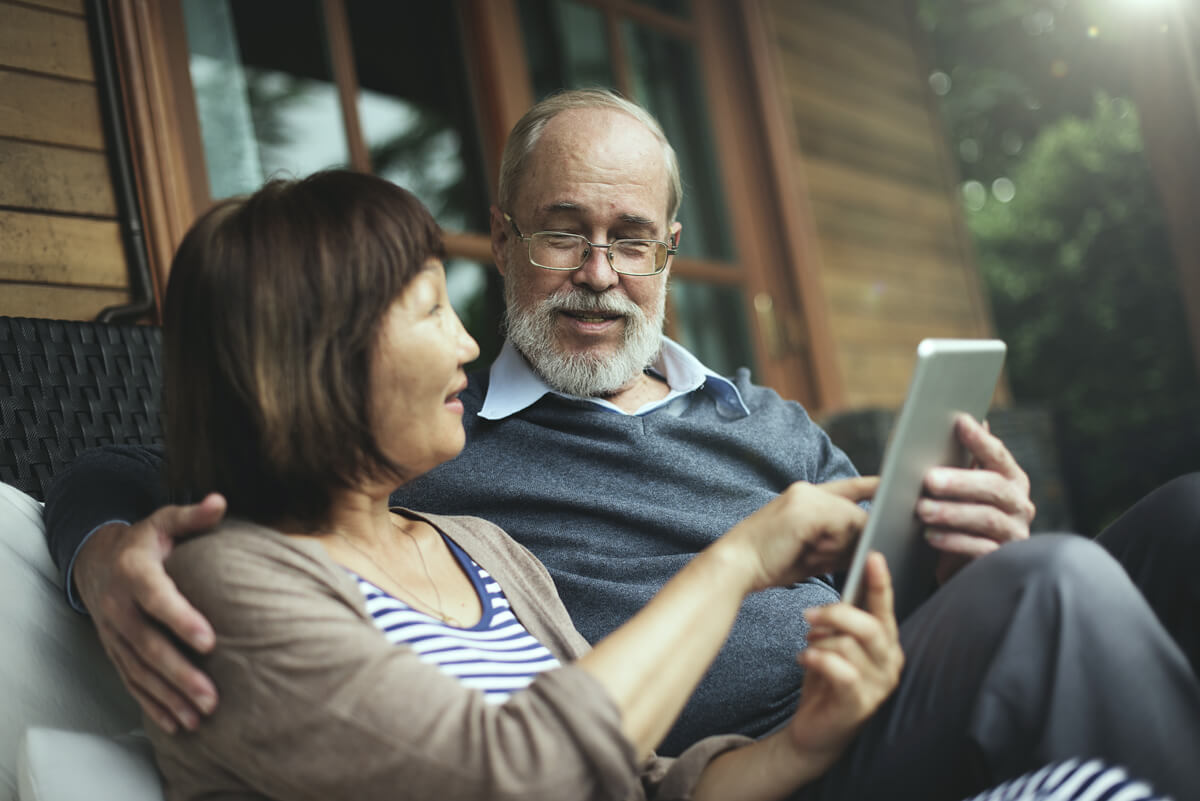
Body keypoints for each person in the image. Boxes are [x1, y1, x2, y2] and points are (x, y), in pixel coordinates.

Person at [44, 91, 1200, 798]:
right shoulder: (429, 438)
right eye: (564, 231)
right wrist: (104, 550)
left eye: (631, 239)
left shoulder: (758, 422)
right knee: (1058, 587)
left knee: (1165, 524)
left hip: (848, 717)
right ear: (501, 241)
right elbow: (136, 465)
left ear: (669, 252)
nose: (599, 273)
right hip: (750, 765)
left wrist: (963, 550)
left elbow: (885, 589)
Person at [143, 169, 904, 801]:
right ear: (321, 354)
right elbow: (516, 774)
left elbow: (638, 781)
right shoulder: (227, 582)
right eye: (432, 308)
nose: (469, 343)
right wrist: (738, 562)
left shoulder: (479, 546)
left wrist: (805, 742)